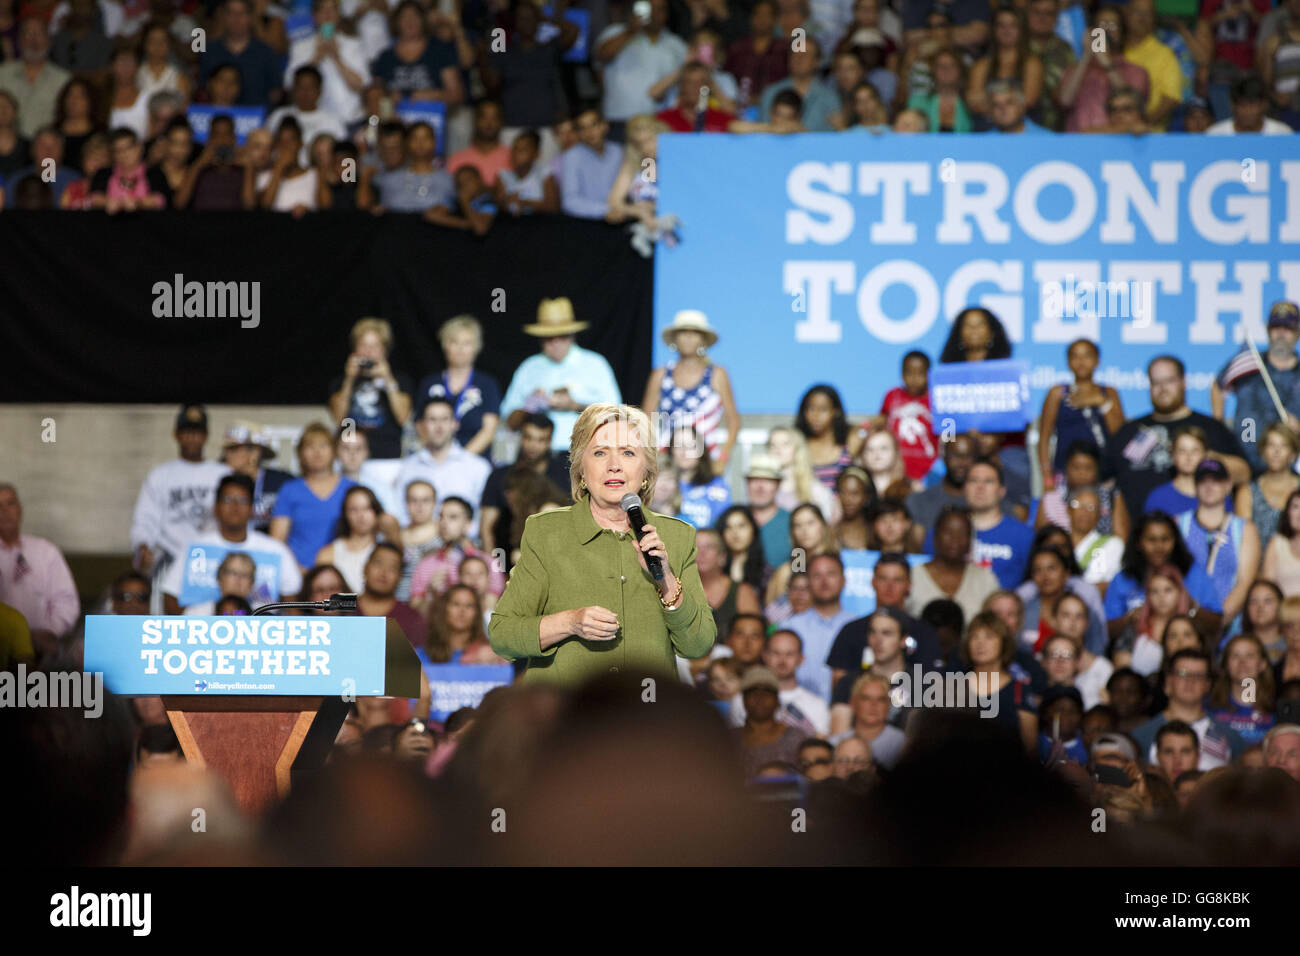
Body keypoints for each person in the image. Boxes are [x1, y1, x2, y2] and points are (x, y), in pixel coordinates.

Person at [488, 403, 716, 684]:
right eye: (599, 453)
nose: (614, 466)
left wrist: (666, 579)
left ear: (646, 472)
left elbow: (698, 645)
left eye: (628, 453)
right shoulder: (546, 532)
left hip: (644, 717)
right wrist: (570, 622)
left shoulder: (677, 536)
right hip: (564, 718)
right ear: (581, 469)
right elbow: (502, 635)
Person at [1105, 355, 1250, 523]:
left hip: (1203, 533)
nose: (1162, 388)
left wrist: (1203, 459)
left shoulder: (1211, 427)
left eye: (1169, 381)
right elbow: (1106, 481)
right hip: (1139, 536)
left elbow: (1244, 472)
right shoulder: (1129, 431)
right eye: (1156, 382)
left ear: (1183, 382)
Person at [161, 473, 302, 613]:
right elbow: (170, 597)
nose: (235, 506)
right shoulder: (195, 547)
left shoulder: (275, 550)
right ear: (215, 507)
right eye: (228, 499)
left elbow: (292, 606)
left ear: (252, 508)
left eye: (242, 500)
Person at [500, 297, 622, 452]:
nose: (556, 342)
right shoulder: (529, 367)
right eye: (548, 337)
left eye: (562, 335)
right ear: (540, 338)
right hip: (535, 457)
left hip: (583, 455)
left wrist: (575, 406)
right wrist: (529, 408)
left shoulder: (595, 364)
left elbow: (616, 416)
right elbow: (509, 422)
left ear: (572, 334)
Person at [130, 404, 231, 582]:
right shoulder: (160, 475)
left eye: (197, 432)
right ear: (176, 434)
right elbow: (145, 519)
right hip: (170, 560)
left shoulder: (222, 474)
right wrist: (143, 544)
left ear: (206, 436)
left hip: (213, 560)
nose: (192, 437)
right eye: (187, 432)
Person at [643, 309, 741, 465]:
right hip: (668, 460)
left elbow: (734, 422)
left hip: (707, 462)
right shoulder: (660, 375)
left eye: (694, 333)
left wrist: (722, 459)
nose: (688, 337)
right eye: (683, 332)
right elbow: (645, 422)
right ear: (675, 339)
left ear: (703, 340)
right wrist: (652, 459)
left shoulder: (717, 374)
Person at [1105, 511, 1223, 641]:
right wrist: (1129, 619)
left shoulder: (1193, 572)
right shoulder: (1123, 579)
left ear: (1175, 541)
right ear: (1138, 543)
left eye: (1165, 539)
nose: (1159, 547)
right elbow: (1106, 632)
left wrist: (1190, 606)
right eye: (1151, 540)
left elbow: (1217, 625)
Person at [1215, 302, 1300, 475]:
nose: (1281, 334)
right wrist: (1218, 425)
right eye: (1276, 327)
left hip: (1289, 470)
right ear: (1268, 330)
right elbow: (1218, 385)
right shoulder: (1249, 363)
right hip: (1244, 461)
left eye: (1288, 328)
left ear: (1297, 332)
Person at [1131, 648, 1247, 769]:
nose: (1190, 681)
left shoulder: (1231, 738)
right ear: (1168, 682)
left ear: (1208, 685)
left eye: (1198, 675)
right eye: (1182, 673)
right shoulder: (1141, 737)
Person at [0, 484, 78, 660]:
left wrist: (50, 632)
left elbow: (66, 601)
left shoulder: (45, 551)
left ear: (20, 509)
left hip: (42, 651)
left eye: (10, 503)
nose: (4, 511)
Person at [1177, 459, 1259, 626]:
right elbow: (1172, 576)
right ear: (1195, 486)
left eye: (1216, 481)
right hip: (1184, 625)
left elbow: (1244, 583)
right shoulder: (1179, 524)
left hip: (1230, 627)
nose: (1209, 487)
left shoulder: (1244, 529)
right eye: (1203, 481)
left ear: (1228, 486)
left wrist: (1217, 623)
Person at [409, 315, 501, 460]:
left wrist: (460, 461)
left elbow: (489, 431)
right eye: (454, 342)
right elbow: (420, 425)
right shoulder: (429, 383)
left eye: (467, 343)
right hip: (435, 460)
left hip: (474, 462)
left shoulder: (487, 384)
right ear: (445, 346)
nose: (460, 349)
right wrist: (439, 458)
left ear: (476, 347)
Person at [392, 397, 492, 530]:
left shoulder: (479, 467)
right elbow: (400, 513)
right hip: (416, 544)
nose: (439, 427)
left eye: (445, 419)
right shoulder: (408, 467)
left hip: (463, 545)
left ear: (455, 424)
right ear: (421, 425)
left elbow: (483, 519)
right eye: (432, 420)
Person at [1038, 339, 1125, 490]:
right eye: (1075, 356)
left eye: (1087, 355)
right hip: (1065, 474)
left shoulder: (1109, 392)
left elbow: (1120, 434)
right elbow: (1044, 438)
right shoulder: (1058, 393)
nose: (1081, 361)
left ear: (1097, 360)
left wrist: (1100, 401)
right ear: (1068, 361)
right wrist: (1047, 478)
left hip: (1103, 475)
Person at [270, 422, 357, 571]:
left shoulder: (350, 488)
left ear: (334, 451)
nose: (317, 452)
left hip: (343, 574)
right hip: (298, 574)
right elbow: (277, 542)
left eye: (323, 445)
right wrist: (297, 572)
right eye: (310, 447)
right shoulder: (290, 490)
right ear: (300, 453)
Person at [480, 0, 573, 138]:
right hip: (512, 127)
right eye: (522, 19)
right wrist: (484, 56)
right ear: (515, 22)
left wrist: (545, 19)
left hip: (547, 128)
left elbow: (573, 30)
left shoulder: (548, 49)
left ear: (538, 20)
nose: (527, 22)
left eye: (531, 18)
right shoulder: (504, 51)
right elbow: (492, 84)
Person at [479, 413, 570, 554]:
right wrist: (493, 572)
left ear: (550, 442)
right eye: (528, 438)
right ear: (521, 437)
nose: (533, 446)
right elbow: (486, 528)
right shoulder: (500, 476)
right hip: (508, 559)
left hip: (559, 559)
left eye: (541, 440)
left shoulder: (565, 474)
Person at [594, 0, 688, 132]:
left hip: (660, 120)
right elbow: (601, 56)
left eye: (660, 9)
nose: (654, 14)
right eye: (650, 9)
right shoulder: (614, 32)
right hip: (619, 118)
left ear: (666, 14)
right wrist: (631, 31)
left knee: (650, 154)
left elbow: (685, 80)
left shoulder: (676, 44)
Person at [1058, 4, 1150, 132]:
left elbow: (1133, 104)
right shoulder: (1075, 69)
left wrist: (1105, 62)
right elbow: (1065, 102)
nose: (1106, 31)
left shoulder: (1136, 72)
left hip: (1123, 144)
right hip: (1079, 145)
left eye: (1112, 25)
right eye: (1101, 26)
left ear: (1122, 32)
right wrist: (1086, 56)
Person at [408, 496, 505, 615]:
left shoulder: (490, 563)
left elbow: (492, 612)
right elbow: (415, 615)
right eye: (440, 516)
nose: (444, 522)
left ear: (468, 524)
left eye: (453, 517)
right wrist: (431, 594)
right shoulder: (425, 565)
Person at [906, 506, 1001, 625]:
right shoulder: (911, 576)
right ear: (935, 536)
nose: (955, 539)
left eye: (962, 533)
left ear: (970, 540)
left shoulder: (985, 579)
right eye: (948, 532)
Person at [783, 552, 857, 702]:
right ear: (808, 582)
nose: (824, 581)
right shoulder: (790, 627)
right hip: (799, 715)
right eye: (817, 575)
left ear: (844, 580)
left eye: (831, 574)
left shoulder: (859, 627)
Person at [963, 610, 1039, 753]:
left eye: (989, 636)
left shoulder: (1019, 691)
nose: (980, 643)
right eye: (974, 637)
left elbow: (1030, 752)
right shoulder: (953, 689)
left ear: (1004, 642)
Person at [283, 0, 369, 126]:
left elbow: (363, 86)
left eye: (332, 9)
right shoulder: (300, 47)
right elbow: (290, 84)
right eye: (323, 10)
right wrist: (316, 58)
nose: (328, 14)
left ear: (338, 15)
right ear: (314, 16)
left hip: (351, 119)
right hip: (316, 122)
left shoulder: (354, 45)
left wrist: (336, 58)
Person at [370, 0, 462, 106]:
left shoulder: (439, 52)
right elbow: (374, 96)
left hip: (431, 118)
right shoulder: (385, 57)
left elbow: (457, 95)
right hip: (395, 119)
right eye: (404, 17)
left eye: (415, 16)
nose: (410, 21)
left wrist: (433, 95)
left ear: (423, 21)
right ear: (396, 22)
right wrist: (388, 97)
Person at [865, 350, 936, 482]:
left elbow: (949, 433)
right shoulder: (892, 396)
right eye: (909, 373)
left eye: (920, 373)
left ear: (929, 374)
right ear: (902, 374)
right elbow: (882, 422)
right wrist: (865, 427)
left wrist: (944, 457)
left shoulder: (937, 399)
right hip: (895, 471)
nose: (914, 379)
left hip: (928, 471)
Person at [692, 528, 761, 664]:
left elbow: (754, 638)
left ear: (722, 557)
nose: (702, 553)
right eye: (696, 547)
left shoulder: (742, 592)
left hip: (734, 668)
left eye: (709, 547)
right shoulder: (677, 589)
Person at [199, 0, 283, 109]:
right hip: (217, 119)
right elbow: (204, 88)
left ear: (251, 17)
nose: (236, 19)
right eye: (231, 13)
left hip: (256, 118)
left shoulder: (267, 52)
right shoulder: (209, 51)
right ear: (223, 16)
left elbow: (275, 92)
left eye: (241, 14)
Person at [0, 17, 71, 139]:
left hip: (47, 150)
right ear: (19, 41)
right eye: (28, 34)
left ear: (49, 40)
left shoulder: (63, 79)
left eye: (39, 34)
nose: (34, 41)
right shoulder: (3, 74)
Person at [966, 6, 1044, 116]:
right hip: (987, 127)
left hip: (1024, 128)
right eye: (1001, 25)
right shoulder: (981, 65)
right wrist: (1010, 105)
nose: (1007, 30)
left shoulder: (1032, 64)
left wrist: (990, 103)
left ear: (1022, 29)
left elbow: (1028, 101)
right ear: (994, 30)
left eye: (1013, 25)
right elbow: (973, 101)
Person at [652, 423, 730, 531]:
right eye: (678, 446)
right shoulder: (661, 485)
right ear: (671, 450)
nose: (684, 452)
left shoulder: (717, 485)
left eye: (691, 446)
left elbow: (726, 526)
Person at [220, 421, 293, 533]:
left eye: (234, 449)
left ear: (255, 453)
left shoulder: (282, 482)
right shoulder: (221, 482)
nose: (227, 454)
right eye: (227, 450)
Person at [1041, 594, 1112, 709]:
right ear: (1053, 620)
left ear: (1087, 623)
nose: (1072, 622)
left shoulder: (1103, 668)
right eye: (1066, 615)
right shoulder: (1038, 663)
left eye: (1079, 616)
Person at [736, 665, 805, 780]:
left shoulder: (795, 737)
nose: (759, 698)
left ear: (777, 700)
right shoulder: (729, 738)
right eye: (752, 692)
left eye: (767, 692)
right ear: (743, 700)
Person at [1121, 0, 1182, 130]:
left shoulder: (1164, 53)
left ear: (1154, 19)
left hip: (1150, 138)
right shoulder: (1114, 50)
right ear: (1126, 14)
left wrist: (1144, 124)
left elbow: (1171, 98)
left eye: (1148, 14)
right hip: (1110, 136)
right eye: (1138, 12)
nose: (1142, 18)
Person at [1236, 423, 1300, 547]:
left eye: (1284, 445)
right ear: (1263, 452)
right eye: (1271, 445)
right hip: (1256, 562)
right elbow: (1242, 540)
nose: (1276, 451)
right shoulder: (1247, 491)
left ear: (1293, 454)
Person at [1208, 633, 1277, 746]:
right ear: (1226, 665)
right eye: (1235, 656)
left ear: (1262, 664)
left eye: (1250, 656)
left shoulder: (1277, 709)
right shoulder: (1209, 706)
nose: (1242, 662)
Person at [265, 66, 348, 158]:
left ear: (319, 91)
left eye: (310, 87)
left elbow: (343, 156)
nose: (305, 92)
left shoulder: (333, 121)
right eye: (301, 87)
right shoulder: (278, 116)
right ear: (293, 89)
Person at [356, 542, 427, 649]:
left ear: (400, 577)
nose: (383, 573)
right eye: (378, 563)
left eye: (392, 567)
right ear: (365, 568)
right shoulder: (343, 611)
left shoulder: (412, 619)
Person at [556, 106, 623, 219]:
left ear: (605, 126)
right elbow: (569, 201)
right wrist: (606, 210)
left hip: (619, 218)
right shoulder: (571, 156)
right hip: (586, 223)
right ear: (578, 133)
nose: (589, 132)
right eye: (583, 128)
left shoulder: (618, 151)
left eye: (594, 125)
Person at [314, 485, 384, 592]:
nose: (361, 515)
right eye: (353, 509)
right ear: (345, 514)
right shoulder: (327, 554)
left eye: (367, 508)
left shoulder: (386, 552)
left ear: (376, 512)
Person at [796, 384, 865, 492]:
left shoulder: (850, 442)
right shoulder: (798, 443)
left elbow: (877, 423)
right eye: (811, 408)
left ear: (836, 412)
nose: (816, 415)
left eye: (823, 409)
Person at [764, 503, 835, 608]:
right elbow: (774, 614)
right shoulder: (787, 571)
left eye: (810, 523)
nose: (804, 531)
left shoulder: (840, 563)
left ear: (823, 525)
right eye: (798, 525)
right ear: (793, 532)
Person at [1143, 425, 1216, 518]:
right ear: (1173, 455)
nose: (1189, 457)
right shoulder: (1158, 498)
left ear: (1205, 455)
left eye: (1195, 451)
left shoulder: (1218, 495)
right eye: (1182, 451)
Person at [420, 583, 503, 665]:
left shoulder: (492, 654)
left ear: (477, 613)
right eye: (456, 604)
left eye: (469, 605)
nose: (462, 610)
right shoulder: (422, 655)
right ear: (444, 609)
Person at [89, 126, 167, 211]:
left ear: (139, 147)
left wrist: (139, 203)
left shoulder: (154, 173)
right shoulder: (104, 173)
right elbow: (93, 198)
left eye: (128, 148)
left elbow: (161, 199)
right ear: (113, 154)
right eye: (118, 151)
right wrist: (107, 202)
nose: (124, 155)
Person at [1066, 486, 1124, 595]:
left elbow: (1103, 585)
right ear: (1068, 510)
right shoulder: (1058, 543)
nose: (1084, 511)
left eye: (1091, 507)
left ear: (1099, 514)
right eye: (1078, 504)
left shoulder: (1110, 545)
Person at [495, 129, 559, 215]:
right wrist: (507, 201)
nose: (517, 153)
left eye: (523, 149)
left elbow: (553, 206)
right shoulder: (503, 176)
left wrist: (525, 203)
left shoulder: (544, 173)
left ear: (536, 154)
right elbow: (497, 205)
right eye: (515, 149)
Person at [744, 454, 791, 571]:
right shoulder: (731, 519)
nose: (760, 487)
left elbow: (800, 569)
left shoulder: (793, 522)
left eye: (768, 480)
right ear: (747, 483)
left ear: (778, 485)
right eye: (754, 480)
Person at [448, 100, 510, 186]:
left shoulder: (513, 158)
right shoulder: (457, 160)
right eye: (484, 117)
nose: (489, 123)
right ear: (475, 120)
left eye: (494, 118)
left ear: (501, 121)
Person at [182, 551, 256, 616]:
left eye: (245, 575)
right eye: (233, 573)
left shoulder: (261, 616)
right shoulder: (195, 614)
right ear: (220, 577)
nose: (238, 580)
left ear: (252, 583)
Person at [1242, 579, 1286, 664]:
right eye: (1253, 601)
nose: (1260, 607)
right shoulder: (1237, 646)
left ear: (1280, 605)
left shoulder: (1293, 644)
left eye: (1268, 601)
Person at [832, 465, 873, 551]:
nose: (848, 500)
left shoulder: (875, 531)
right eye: (843, 493)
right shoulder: (830, 531)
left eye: (855, 493)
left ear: (866, 496)